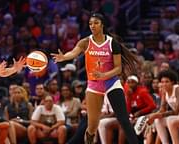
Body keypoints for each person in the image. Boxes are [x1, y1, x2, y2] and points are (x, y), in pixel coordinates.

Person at [51, 12, 139, 144]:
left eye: (96, 23)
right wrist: (64, 57)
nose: (93, 26)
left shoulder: (112, 43)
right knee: (92, 127)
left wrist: (104, 75)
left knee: (124, 120)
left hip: (111, 83)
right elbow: (74, 52)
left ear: (102, 25)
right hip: (94, 86)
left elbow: (118, 68)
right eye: (90, 23)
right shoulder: (85, 42)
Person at [147, 70, 179, 144]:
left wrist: (158, 115)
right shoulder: (164, 92)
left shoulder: (178, 89)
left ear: (172, 82)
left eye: (167, 81)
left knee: (170, 119)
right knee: (158, 120)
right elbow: (162, 109)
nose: (164, 84)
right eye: (162, 82)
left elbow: (177, 111)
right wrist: (152, 116)